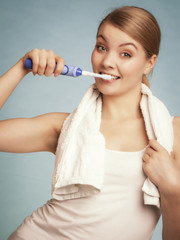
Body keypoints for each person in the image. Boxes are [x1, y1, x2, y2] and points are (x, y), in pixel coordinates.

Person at [0, 5, 180, 240]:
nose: (106, 61)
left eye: (125, 53)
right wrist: (21, 67)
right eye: (101, 47)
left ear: (149, 62)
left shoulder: (172, 134)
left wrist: (173, 189)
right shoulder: (67, 127)